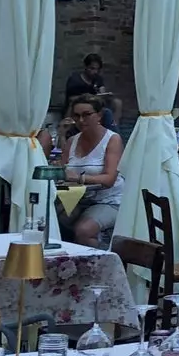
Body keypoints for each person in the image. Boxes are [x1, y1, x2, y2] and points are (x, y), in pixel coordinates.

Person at [61, 94, 123, 246]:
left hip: (109, 201)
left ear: (99, 115)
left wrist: (78, 178)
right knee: (50, 221)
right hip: (77, 199)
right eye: (76, 116)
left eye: (87, 115)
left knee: (84, 230)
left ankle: (101, 264)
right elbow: (62, 173)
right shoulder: (71, 141)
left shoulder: (112, 139)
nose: (81, 120)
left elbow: (109, 179)